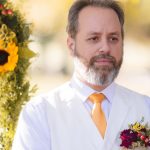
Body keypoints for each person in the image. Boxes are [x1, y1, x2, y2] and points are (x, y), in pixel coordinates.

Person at [12, 0, 150, 150]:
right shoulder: (39, 114)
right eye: (94, 38)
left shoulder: (145, 107)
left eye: (113, 38)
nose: (105, 47)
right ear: (71, 46)